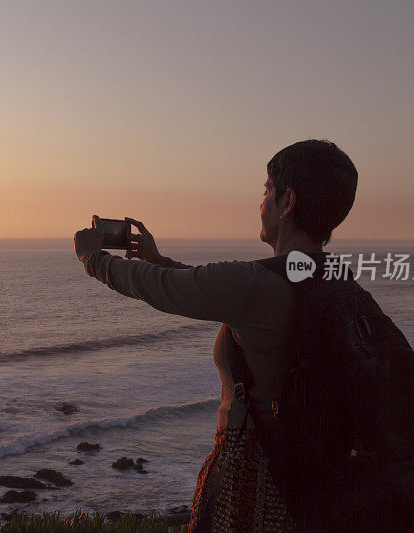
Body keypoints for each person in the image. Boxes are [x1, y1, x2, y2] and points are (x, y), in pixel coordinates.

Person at [73, 139, 358, 532]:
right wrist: (162, 262)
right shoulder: (328, 275)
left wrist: (94, 260)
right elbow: (221, 292)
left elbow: (162, 288)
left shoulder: (257, 284)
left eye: (266, 191)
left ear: (287, 201)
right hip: (314, 473)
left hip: (258, 482)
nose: (261, 203)